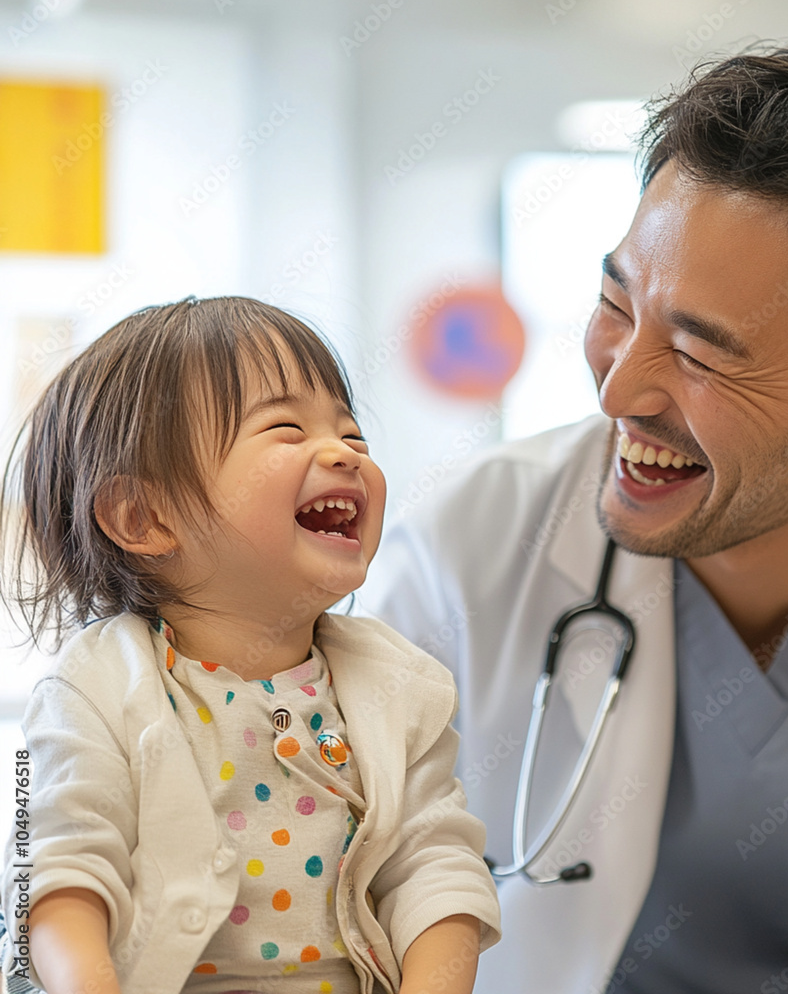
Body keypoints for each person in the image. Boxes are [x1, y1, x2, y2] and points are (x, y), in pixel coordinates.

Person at [360, 31, 788, 994]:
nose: (618, 391)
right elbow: (330, 874)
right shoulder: (469, 546)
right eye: (616, 306)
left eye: (701, 355)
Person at [0, 297, 500, 994]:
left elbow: (437, 871)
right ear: (143, 517)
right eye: (286, 429)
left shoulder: (399, 684)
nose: (345, 453)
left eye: (352, 434)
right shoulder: (99, 685)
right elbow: (56, 872)